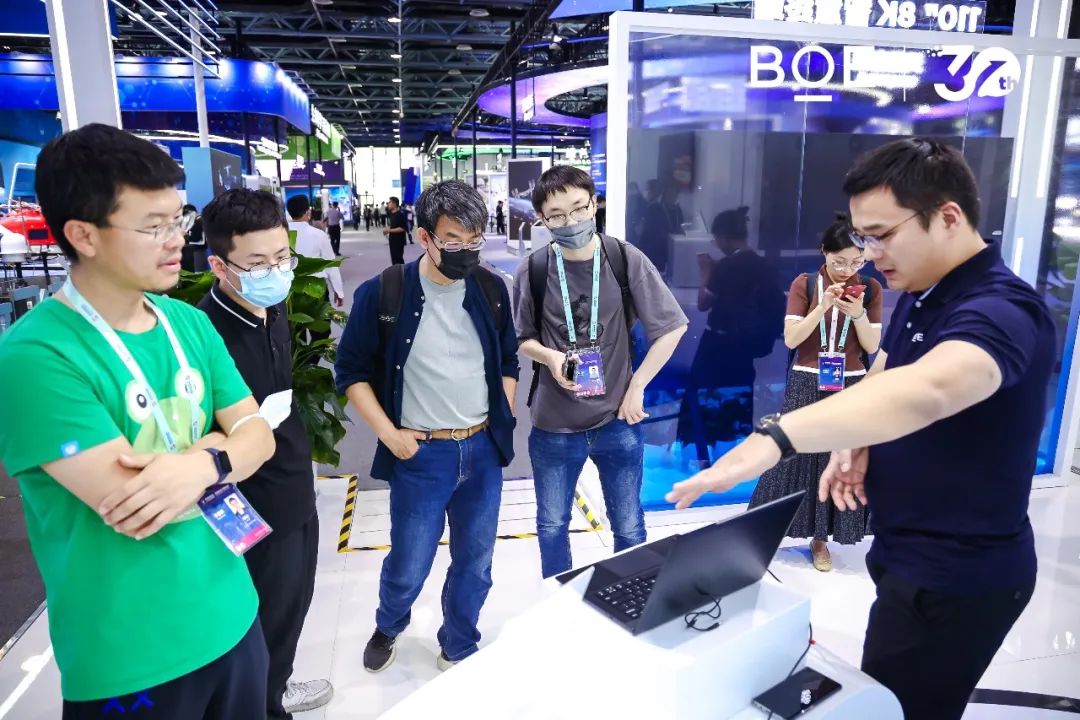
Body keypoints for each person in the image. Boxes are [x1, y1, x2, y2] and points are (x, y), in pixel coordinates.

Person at [667, 138, 1055, 720]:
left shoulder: (1001, 309)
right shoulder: (924, 293)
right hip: (907, 553)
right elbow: (885, 372)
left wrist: (775, 438)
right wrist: (857, 437)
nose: (870, 255)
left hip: (957, 574)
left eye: (881, 235)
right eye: (861, 238)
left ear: (948, 217)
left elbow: (930, 388)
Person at [0, 123, 277, 718]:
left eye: (179, 220)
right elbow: (136, 505)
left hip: (233, 613)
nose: (177, 241)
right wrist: (221, 448)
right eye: (154, 227)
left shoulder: (188, 323)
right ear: (83, 234)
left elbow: (260, 437)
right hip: (130, 655)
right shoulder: (36, 357)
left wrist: (202, 464)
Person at [335, 180, 519, 673]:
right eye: (454, 241)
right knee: (410, 561)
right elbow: (350, 372)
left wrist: (501, 416)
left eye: (475, 240)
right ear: (424, 237)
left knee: (475, 561)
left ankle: (459, 642)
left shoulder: (490, 289)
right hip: (421, 454)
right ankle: (389, 624)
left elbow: (508, 360)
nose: (467, 251)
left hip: (482, 450)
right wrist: (390, 435)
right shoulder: (385, 293)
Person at [513, 166, 689, 578]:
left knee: (628, 525)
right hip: (554, 424)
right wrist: (549, 356)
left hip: (617, 420)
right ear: (542, 219)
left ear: (594, 204)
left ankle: (631, 594)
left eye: (579, 208)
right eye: (557, 215)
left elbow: (672, 327)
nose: (571, 221)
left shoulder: (623, 259)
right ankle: (558, 599)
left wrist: (637, 385)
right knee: (552, 526)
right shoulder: (533, 269)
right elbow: (521, 337)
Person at [198, 189, 334, 719]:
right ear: (219, 265)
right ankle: (265, 705)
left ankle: (276, 691)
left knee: (292, 609)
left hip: (294, 490)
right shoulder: (205, 334)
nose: (274, 272)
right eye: (257, 264)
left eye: (281, 257)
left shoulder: (272, 310)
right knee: (262, 623)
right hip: (251, 509)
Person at [748, 212, 882, 571]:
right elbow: (792, 339)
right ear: (824, 252)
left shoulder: (870, 288)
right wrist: (821, 307)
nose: (847, 269)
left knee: (836, 459)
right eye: (839, 261)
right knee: (788, 455)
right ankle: (759, 531)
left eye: (856, 262)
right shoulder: (805, 284)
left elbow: (871, 346)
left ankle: (820, 540)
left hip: (851, 383)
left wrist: (858, 315)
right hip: (807, 378)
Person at [676, 206, 785, 470]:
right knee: (737, 398)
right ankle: (734, 457)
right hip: (744, 348)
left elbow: (704, 302)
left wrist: (706, 272)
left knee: (701, 396)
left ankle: (698, 456)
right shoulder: (763, 266)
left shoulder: (726, 267)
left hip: (717, 345)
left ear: (724, 237)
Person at [285, 195, 344, 310]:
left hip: (289, 291)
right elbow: (330, 264)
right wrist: (338, 291)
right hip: (315, 289)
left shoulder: (281, 235)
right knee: (319, 320)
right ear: (308, 212)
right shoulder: (319, 235)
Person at [383, 196, 409, 265]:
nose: (388, 204)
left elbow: (403, 228)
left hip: (399, 241)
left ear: (394, 204)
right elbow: (393, 225)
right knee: (394, 259)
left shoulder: (400, 215)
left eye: (389, 202)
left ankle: (402, 271)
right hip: (392, 240)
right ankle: (396, 271)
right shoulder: (391, 214)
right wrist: (387, 229)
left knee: (398, 259)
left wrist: (389, 230)